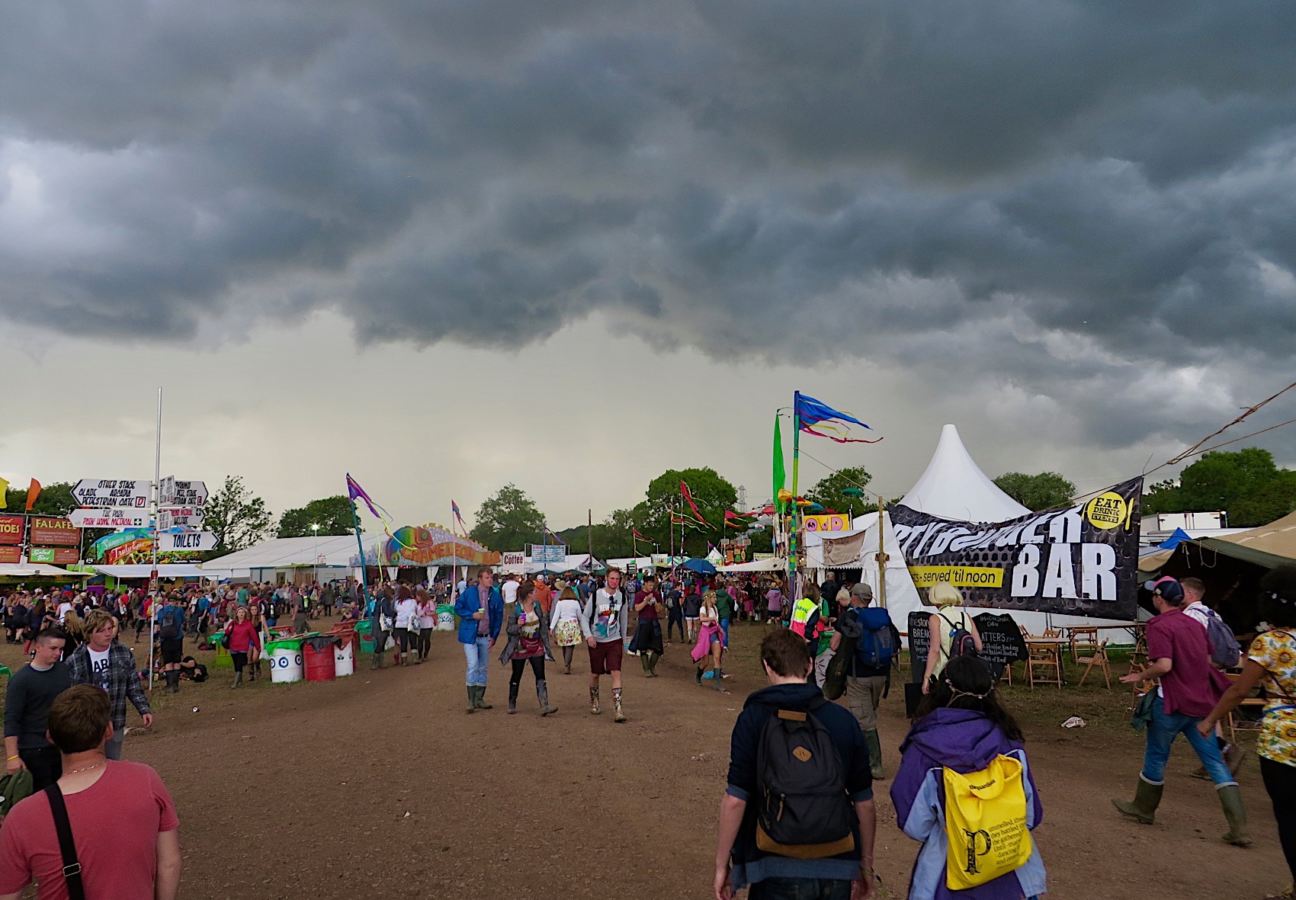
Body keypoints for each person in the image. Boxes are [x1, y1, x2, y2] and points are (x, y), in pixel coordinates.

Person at [714, 628, 876, 900]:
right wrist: (865, 863)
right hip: (836, 859)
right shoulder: (842, 720)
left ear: (767, 666)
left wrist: (722, 865)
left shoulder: (753, 719)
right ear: (809, 664)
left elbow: (736, 799)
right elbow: (865, 802)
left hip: (774, 858)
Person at [0, 685, 182, 900]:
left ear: (50, 737)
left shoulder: (23, 817)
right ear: (108, 731)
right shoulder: (145, 779)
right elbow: (169, 863)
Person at [891, 655, 1046, 899]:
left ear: (941, 689)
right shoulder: (1010, 743)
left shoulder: (924, 748)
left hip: (947, 880)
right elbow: (1031, 816)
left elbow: (915, 824)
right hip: (1011, 875)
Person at [1112, 578, 1250, 846]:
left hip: (1171, 703)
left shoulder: (1159, 625)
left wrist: (1140, 675)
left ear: (1159, 599)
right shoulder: (1196, 623)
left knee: (1156, 755)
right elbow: (1207, 659)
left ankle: (1144, 808)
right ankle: (1239, 827)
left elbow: (1164, 665)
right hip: (1200, 704)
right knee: (1214, 762)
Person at [1198, 565, 1296, 898]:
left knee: (1288, 815)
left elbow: (1239, 691)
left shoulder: (1270, 643)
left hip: (1282, 741)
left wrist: (1211, 720)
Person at [1176, 576, 1245, 776]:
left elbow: (1191, 648)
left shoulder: (1190, 616)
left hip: (1199, 672)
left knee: (1196, 716)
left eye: (1181, 591)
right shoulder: (1212, 614)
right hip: (1216, 670)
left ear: (1189, 594)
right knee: (1208, 716)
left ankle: (1223, 753)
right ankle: (1215, 759)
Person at [831, 584, 899, 780]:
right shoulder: (882, 617)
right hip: (880, 675)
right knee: (867, 715)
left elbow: (835, 644)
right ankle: (863, 759)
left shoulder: (850, 617)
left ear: (854, 597)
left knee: (864, 721)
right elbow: (895, 645)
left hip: (857, 675)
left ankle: (874, 765)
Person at [66, 611, 153, 760]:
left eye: (110, 628)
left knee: (112, 762)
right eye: (101, 631)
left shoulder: (123, 653)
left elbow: (132, 685)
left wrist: (143, 709)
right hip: (88, 723)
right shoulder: (76, 659)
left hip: (116, 717)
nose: (108, 634)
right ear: (89, 633)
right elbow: (73, 695)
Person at [3, 628, 72, 792]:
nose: (58, 653)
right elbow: (12, 720)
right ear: (37, 647)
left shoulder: (63, 671)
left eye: (61, 649)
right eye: (53, 648)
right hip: (33, 750)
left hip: (61, 747)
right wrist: (13, 757)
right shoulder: (21, 680)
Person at [498, 584, 557, 716]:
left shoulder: (537, 607)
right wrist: (518, 625)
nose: (536, 594)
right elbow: (509, 629)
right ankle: (512, 702)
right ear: (529, 594)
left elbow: (542, 624)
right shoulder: (516, 609)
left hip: (536, 644)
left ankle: (544, 704)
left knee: (540, 674)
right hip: (520, 646)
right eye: (534, 592)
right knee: (517, 674)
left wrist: (545, 638)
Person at [580, 567, 630, 722]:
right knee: (596, 673)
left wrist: (623, 640)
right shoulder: (596, 596)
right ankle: (594, 699)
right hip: (596, 640)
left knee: (616, 671)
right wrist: (588, 636)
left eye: (617, 579)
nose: (615, 581)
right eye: (612, 578)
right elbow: (585, 617)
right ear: (606, 579)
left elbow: (623, 619)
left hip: (614, 640)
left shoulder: (622, 597)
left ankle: (618, 709)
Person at [455, 569, 503, 714]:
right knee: (473, 664)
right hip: (471, 635)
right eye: (487, 577)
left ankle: (479, 698)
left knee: (483, 667)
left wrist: (494, 636)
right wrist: (471, 615)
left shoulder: (495, 596)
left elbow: (499, 616)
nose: (490, 580)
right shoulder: (469, 593)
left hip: (485, 635)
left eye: (491, 577)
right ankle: (470, 700)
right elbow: (457, 607)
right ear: (480, 579)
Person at [921, 583, 984, 694]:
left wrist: (926, 677)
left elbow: (935, 650)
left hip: (945, 672)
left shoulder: (936, 619)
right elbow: (979, 646)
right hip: (967, 672)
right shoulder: (966, 616)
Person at [630, 575, 665, 677]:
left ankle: (651, 666)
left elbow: (659, 610)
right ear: (644, 584)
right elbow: (637, 608)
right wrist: (646, 601)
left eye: (652, 585)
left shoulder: (656, 594)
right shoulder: (639, 595)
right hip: (644, 622)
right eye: (649, 585)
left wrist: (654, 603)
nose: (651, 587)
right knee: (643, 647)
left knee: (658, 648)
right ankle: (646, 670)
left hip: (654, 621)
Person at [692, 588, 726, 690]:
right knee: (705, 662)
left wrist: (720, 629)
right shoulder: (703, 608)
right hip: (705, 633)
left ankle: (718, 684)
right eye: (714, 597)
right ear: (709, 598)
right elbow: (702, 619)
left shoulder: (715, 608)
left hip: (714, 633)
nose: (716, 599)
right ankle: (698, 676)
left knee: (717, 657)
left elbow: (716, 622)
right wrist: (711, 618)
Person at [549, 586, 584, 675]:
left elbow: (556, 615)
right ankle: (567, 664)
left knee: (564, 646)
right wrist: (583, 628)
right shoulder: (576, 603)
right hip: (573, 625)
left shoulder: (560, 603)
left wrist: (551, 627)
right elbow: (580, 616)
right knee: (570, 646)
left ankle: (566, 663)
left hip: (562, 626)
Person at [224, 605, 261, 688]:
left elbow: (254, 636)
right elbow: (227, 632)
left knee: (239, 664)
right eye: (239, 612)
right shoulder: (233, 623)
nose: (241, 614)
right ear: (236, 614)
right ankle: (240, 681)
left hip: (243, 648)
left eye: (243, 612)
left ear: (245, 614)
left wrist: (257, 646)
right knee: (236, 664)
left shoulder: (248, 624)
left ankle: (235, 683)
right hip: (233, 647)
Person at [155, 595, 186, 694]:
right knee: (176, 661)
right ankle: (175, 684)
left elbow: (159, 622)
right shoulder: (179, 610)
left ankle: (169, 684)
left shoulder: (162, 611)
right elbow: (182, 621)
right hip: (177, 638)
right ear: (176, 601)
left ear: (167, 601)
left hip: (165, 639)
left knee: (168, 661)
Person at [393, 584, 419, 667]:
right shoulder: (413, 601)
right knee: (413, 640)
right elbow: (415, 610)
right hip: (410, 623)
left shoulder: (397, 602)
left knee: (403, 642)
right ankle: (415, 658)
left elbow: (395, 610)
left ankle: (404, 660)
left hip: (400, 624)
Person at [416, 587, 437, 663]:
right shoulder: (417, 603)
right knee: (420, 640)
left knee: (427, 639)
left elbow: (433, 612)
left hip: (428, 623)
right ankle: (419, 655)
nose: (417, 597)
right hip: (420, 623)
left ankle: (425, 654)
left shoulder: (429, 602)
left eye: (418, 596)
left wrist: (426, 613)